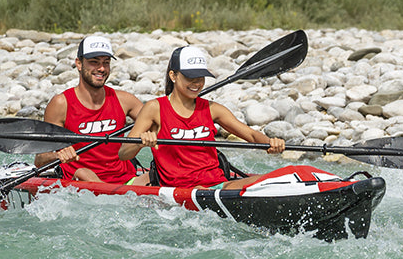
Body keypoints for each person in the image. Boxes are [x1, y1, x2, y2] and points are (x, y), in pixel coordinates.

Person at [124, 44, 285, 189]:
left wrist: (271, 144)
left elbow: (251, 134)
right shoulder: (154, 108)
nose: (197, 83)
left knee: (276, 178)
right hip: (182, 191)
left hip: (216, 185)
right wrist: (141, 143)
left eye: (200, 77)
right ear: (173, 76)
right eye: (190, 77)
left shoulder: (212, 109)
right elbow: (123, 153)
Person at [34, 34, 148, 184]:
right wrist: (58, 156)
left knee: (154, 174)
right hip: (82, 181)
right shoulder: (61, 104)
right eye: (94, 62)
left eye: (105, 63)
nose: (101, 68)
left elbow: (164, 126)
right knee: (84, 173)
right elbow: (40, 160)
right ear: (79, 64)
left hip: (125, 181)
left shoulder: (125, 100)